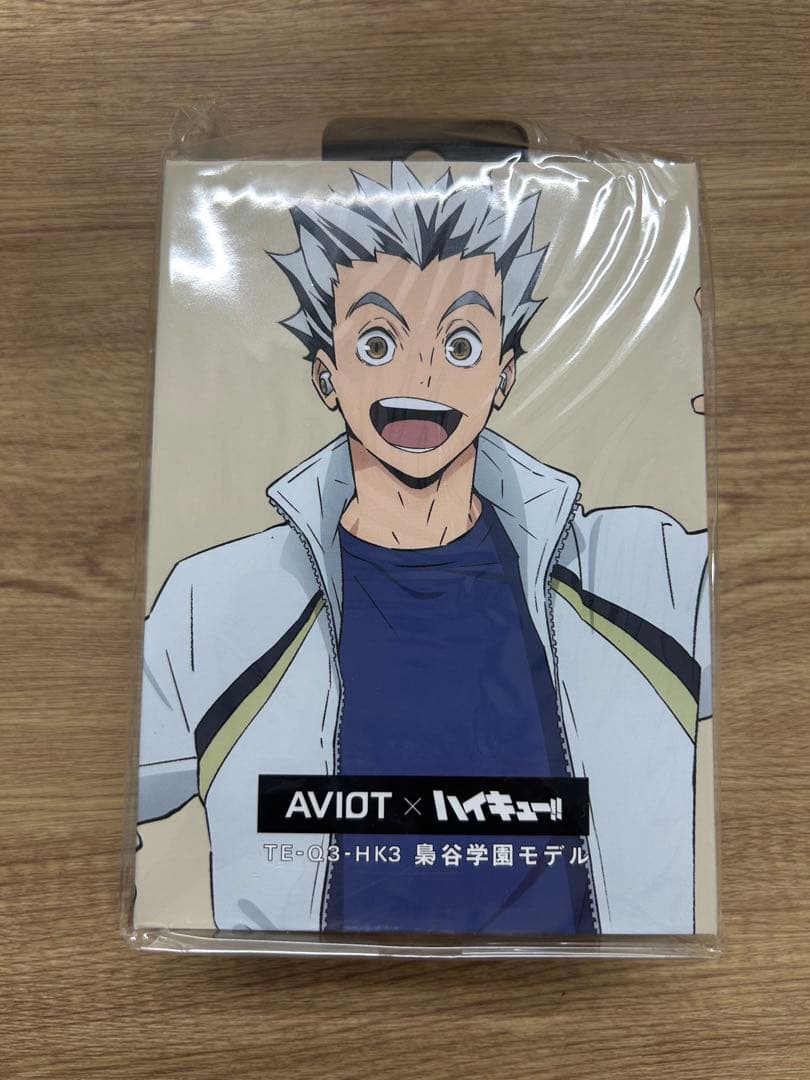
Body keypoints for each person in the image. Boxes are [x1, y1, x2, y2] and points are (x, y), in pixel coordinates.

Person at [137, 164, 711, 935]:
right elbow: (103, 787)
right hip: (301, 995)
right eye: (378, 341)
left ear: (503, 377)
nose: (423, 375)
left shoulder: (643, 577)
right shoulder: (212, 605)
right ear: (326, 375)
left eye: (462, 343)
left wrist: (758, 438)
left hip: (591, 996)